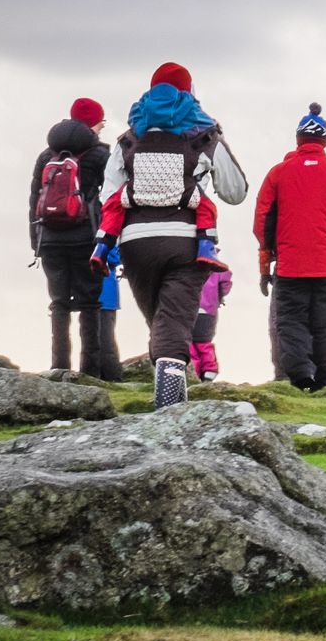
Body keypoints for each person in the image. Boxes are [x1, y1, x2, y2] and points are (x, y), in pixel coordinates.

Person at [90, 62, 247, 409]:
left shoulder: (128, 139)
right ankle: (170, 406)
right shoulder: (205, 134)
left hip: (135, 244)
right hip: (186, 241)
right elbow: (236, 191)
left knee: (160, 320)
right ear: (189, 92)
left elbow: (108, 195)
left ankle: (169, 391)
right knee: (174, 320)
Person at [253, 103, 326, 391]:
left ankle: (301, 378)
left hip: (290, 268)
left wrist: (266, 265)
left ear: (298, 139)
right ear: (325, 141)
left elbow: (262, 221)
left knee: (291, 323)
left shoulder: (277, 174)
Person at [29, 97, 113, 377]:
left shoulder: (46, 155)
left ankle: (59, 367)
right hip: (85, 238)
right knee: (90, 303)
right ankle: (90, 371)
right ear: (94, 123)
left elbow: (34, 199)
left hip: (50, 238)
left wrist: (36, 241)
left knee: (59, 303)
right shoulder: (99, 154)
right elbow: (113, 195)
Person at [188, 258, 234, 382]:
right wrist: (218, 297)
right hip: (209, 310)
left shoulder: (186, 262)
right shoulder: (218, 265)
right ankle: (210, 370)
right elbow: (226, 284)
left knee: (189, 343)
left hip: (187, 308)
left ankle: (194, 371)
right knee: (204, 342)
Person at [97, 244, 123, 379]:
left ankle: (109, 375)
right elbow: (115, 258)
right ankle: (112, 376)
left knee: (102, 337)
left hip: (99, 295)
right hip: (107, 294)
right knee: (106, 338)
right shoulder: (106, 237)